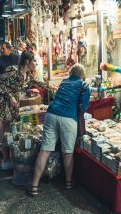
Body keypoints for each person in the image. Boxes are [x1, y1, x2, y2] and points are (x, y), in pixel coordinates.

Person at [28, 64, 90, 195]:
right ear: (82, 74)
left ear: (71, 72)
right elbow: (83, 108)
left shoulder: (64, 81)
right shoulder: (84, 85)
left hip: (51, 114)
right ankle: (68, 183)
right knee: (67, 152)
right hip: (68, 118)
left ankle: (34, 185)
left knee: (44, 150)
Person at [0, 51, 46, 183]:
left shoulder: (27, 75)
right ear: (27, 62)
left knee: (7, 135)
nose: (36, 63)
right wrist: (10, 96)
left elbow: (36, 82)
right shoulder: (13, 69)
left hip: (11, 107)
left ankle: (6, 161)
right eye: (34, 61)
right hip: (0, 104)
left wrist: (50, 86)